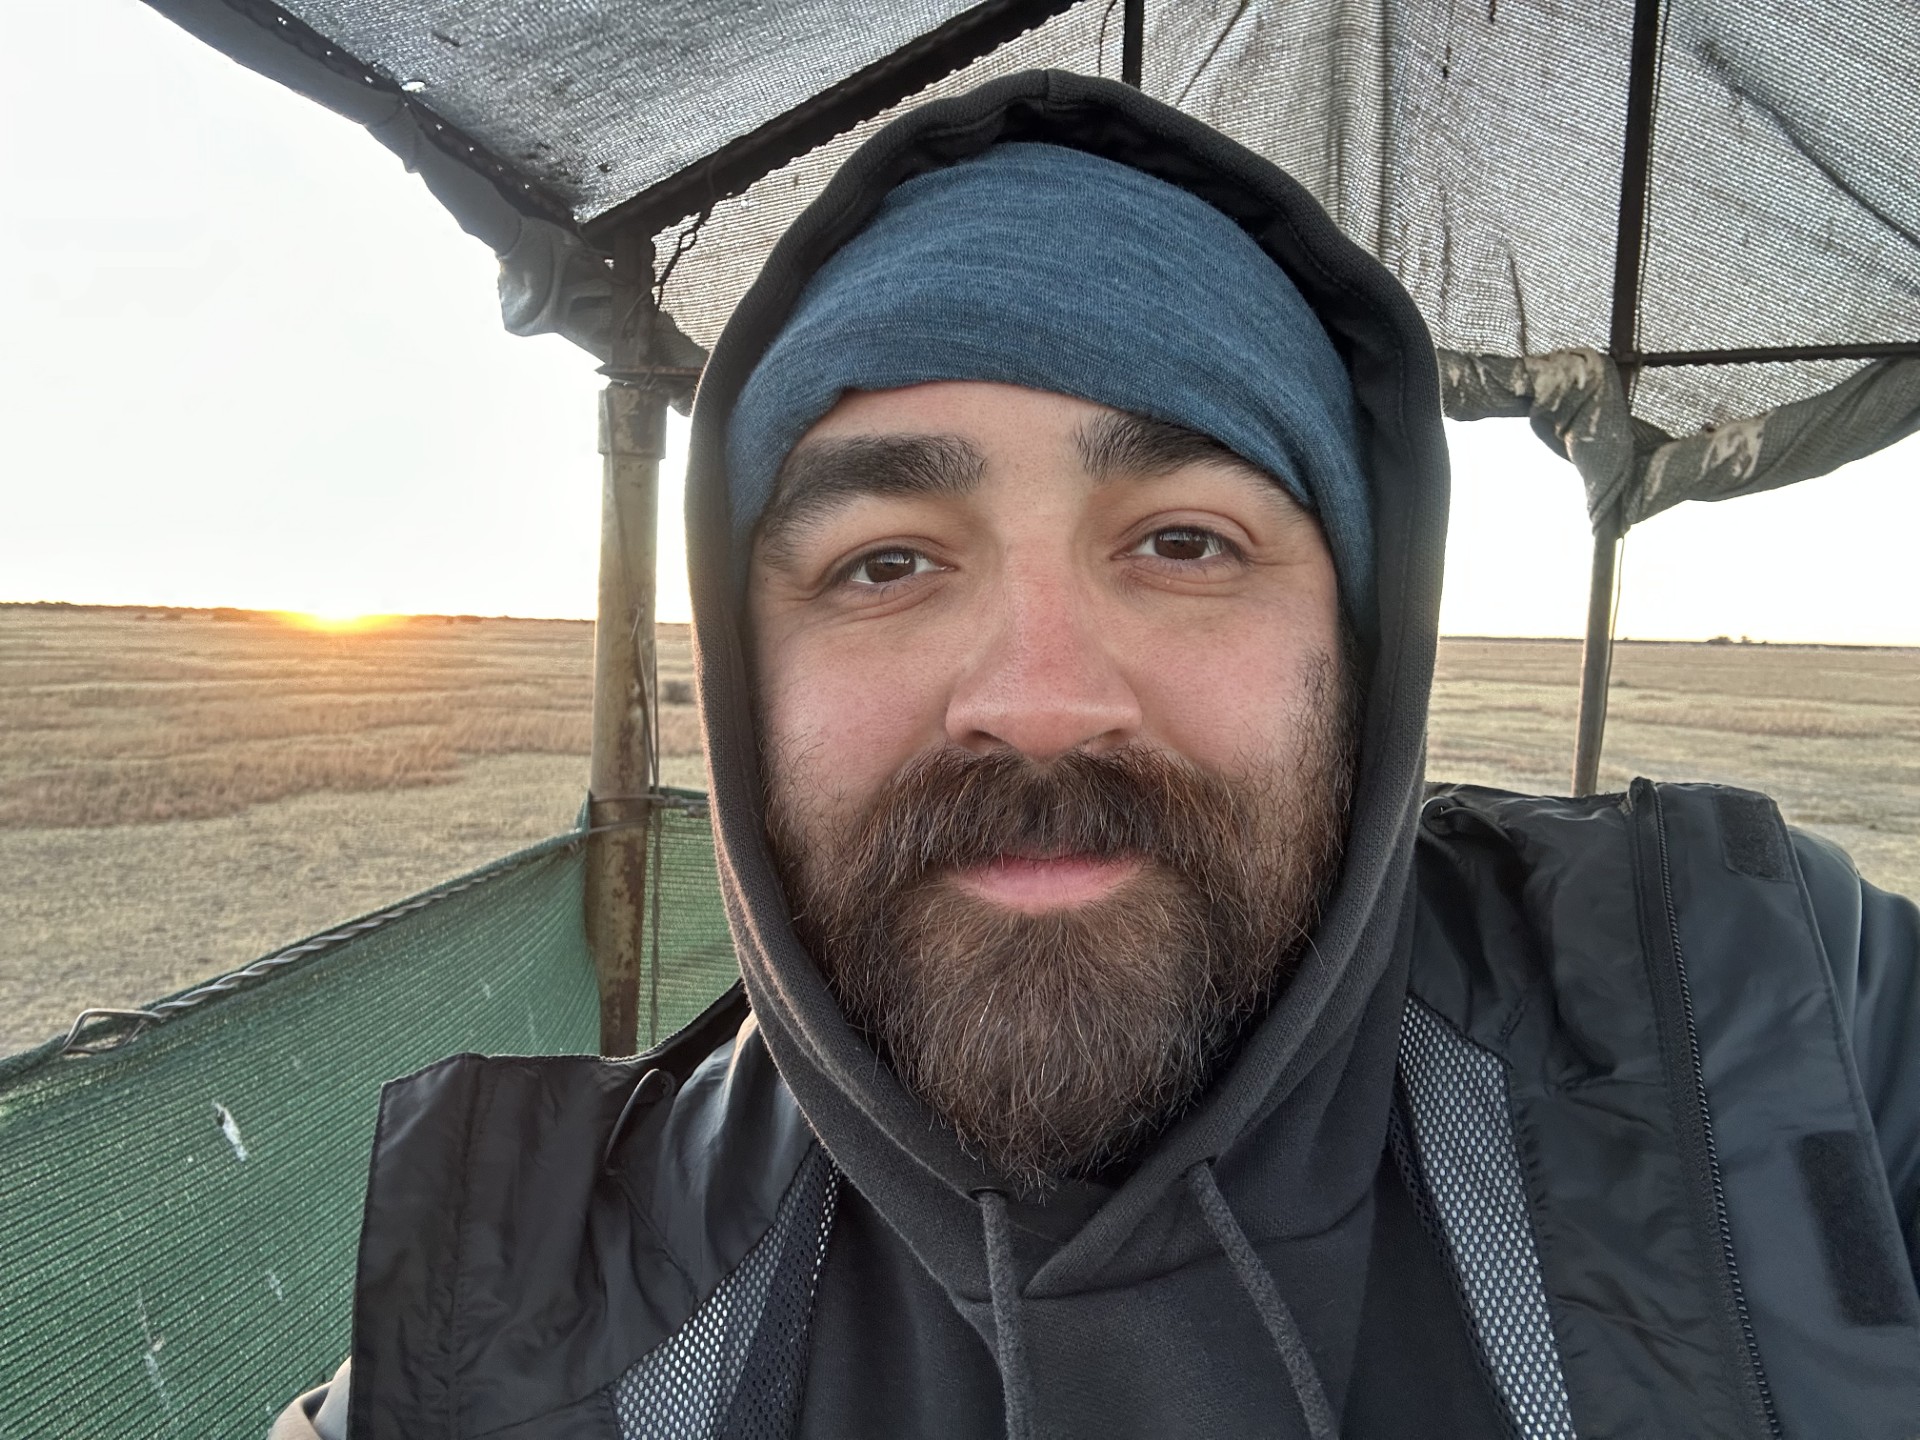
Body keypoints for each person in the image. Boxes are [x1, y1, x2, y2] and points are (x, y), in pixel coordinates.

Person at [272, 71, 1920, 1440]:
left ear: (1359, 650)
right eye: (888, 562)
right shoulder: (535, 1315)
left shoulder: (1748, 1013)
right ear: (745, 674)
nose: (1042, 698)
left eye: (1187, 543)